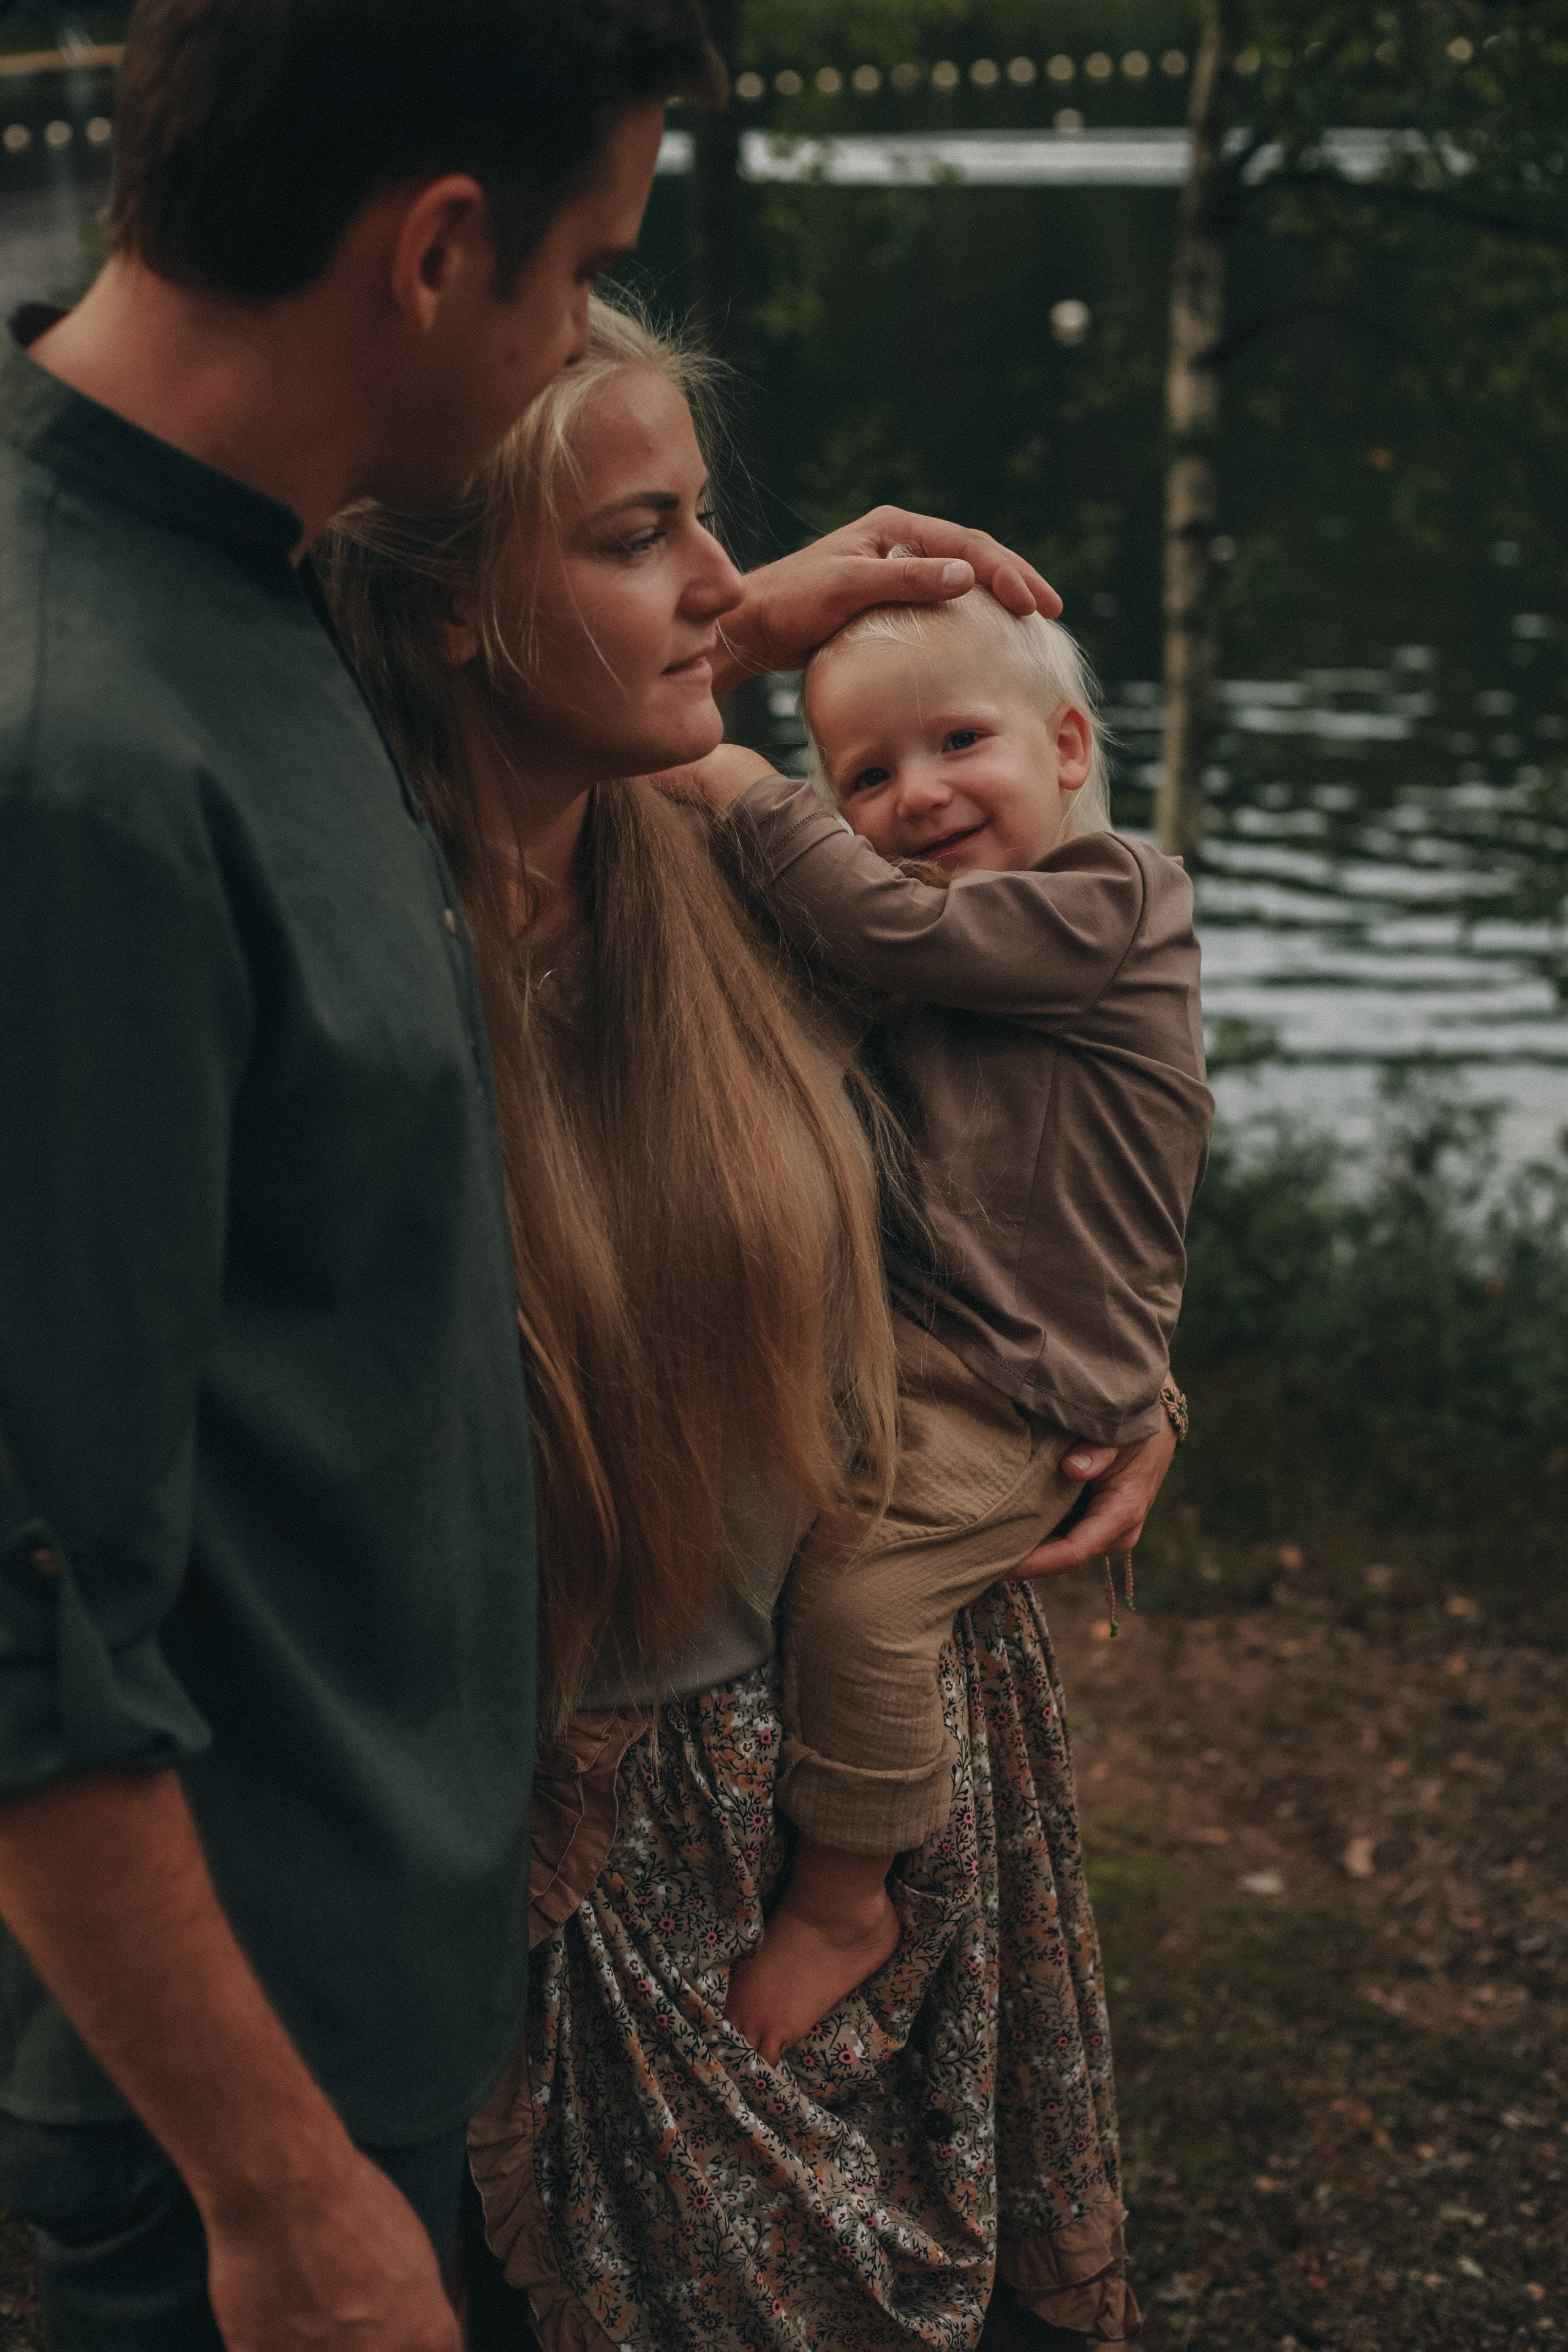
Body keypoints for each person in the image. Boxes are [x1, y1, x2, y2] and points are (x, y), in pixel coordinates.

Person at [0, 7, 1049, 2349]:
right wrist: (282, 2197)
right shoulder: (69, 767)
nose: (585, 324)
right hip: (250, 2130)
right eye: (582, 270)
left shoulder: (242, 588)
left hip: (410, 2014)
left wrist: (719, 625)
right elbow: (28, 1615)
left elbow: (462, 690)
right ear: (441, 248)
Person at [319, 294, 1169, 2351]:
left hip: (873, 1721)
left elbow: (995, 1135)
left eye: (715, 528)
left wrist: (1114, 1342)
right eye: (646, 540)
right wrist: (749, 653)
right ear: (445, 611)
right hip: (598, 1825)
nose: (733, 588)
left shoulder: (719, 870)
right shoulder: (362, 941)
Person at [682, 596, 1212, 2063]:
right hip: (915, 1346)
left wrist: (737, 779)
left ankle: (846, 1900)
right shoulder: (945, 949)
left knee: (862, 1600)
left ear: (1064, 748)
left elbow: (869, 915)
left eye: (958, 743)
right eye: (861, 775)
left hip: (1022, 1387)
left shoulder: (1113, 902)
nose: (911, 797)